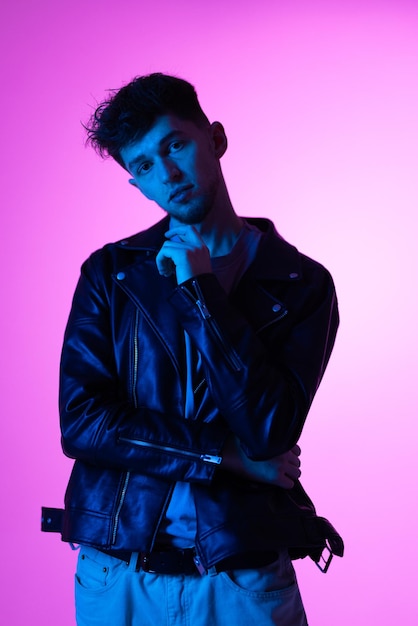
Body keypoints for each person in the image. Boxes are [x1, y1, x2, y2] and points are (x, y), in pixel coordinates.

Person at [43, 73, 343, 625]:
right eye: (144, 166)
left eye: (175, 145)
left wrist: (200, 291)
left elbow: (269, 432)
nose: (169, 175)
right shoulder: (112, 274)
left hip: (241, 580)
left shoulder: (301, 284)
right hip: (118, 575)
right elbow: (83, 423)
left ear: (216, 139)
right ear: (136, 184)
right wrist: (225, 457)